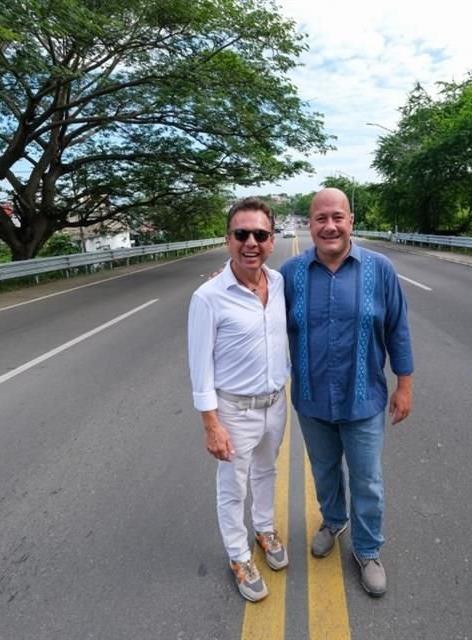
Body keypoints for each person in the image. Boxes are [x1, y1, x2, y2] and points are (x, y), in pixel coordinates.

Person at [280, 187, 414, 598]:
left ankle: (368, 550)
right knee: (323, 472)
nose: (329, 226)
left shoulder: (380, 269)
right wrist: (224, 278)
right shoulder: (289, 274)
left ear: (351, 221)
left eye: (337, 217)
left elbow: (397, 328)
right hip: (312, 398)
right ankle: (333, 520)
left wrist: (404, 385)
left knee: (367, 480)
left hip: (365, 397)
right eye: (320, 218)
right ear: (310, 224)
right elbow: (254, 307)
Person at [187, 197, 290, 602]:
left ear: (272, 240)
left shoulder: (280, 283)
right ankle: (238, 555)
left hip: (275, 404)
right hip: (233, 409)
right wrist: (211, 424)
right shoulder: (208, 297)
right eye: (241, 234)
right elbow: (200, 367)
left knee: (267, 473)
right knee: (233, 487)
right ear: (228, 239)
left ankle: (264, 528)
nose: (251, 242)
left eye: (260, 235)